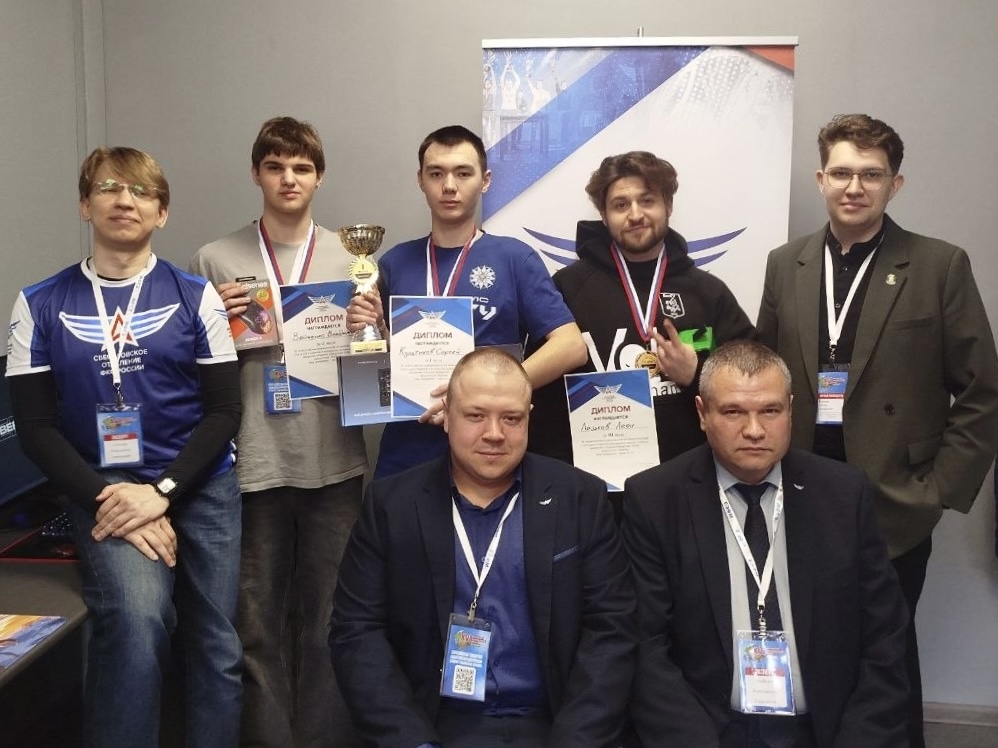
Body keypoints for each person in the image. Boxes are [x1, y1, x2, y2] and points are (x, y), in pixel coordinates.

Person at [756, 114, 998, 747]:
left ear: (895, 184)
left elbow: (982, 390)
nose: (854, 187)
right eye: (841, 173)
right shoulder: (785, 264)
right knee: (809, 638)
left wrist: (938, 490)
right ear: (821, 179)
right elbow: (764, 373)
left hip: (892, 496)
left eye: (871, 174)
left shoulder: (939, 265)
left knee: (887, 652)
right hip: (801, 490)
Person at [6, 147, 243, 747]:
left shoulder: (197, 296)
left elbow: (224, 411)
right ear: (85, 206)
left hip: (199, 482)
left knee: (217, 642)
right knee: (137, 622)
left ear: (161, 212)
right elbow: (35, 427)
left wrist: (162, 492)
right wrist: (112, 498)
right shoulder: (40, 303)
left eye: (140, 190)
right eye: (108, 188)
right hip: (104, 489)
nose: (124, 200)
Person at [330, 348, 635, 747]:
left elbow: (612, 628)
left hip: (554, 724)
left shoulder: (580, 498)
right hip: (434, 725)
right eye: (476, 416)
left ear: (529, 417)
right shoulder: (392, 505)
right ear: (447, 416)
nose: (494, 433)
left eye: (512, 418)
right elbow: (357, 632)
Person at [623, 340, 909, 748]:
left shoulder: (843, 494)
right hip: (712, 730)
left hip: (824, 731)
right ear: (702, 414)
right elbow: (646, 647)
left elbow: (885, 637)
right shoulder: (655, 499)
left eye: (770, 411)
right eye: (733, 412)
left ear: (791, 410)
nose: (754, 430)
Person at [190, 116, 367, 747]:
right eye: (275, 166)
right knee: (254, 628)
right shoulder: (214, 259)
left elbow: (373, 380)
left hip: (333, 463)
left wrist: (370, 331)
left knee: (330, 625)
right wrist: (213, 323)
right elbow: (191, 374)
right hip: (251, 467)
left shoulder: (356, 259)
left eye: (301, 167)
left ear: (319, 177)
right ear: (256, 173)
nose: (289, 178)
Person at [346, 125, 586, 478]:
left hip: (490, 452)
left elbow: (571, 346)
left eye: (463, 173)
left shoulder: (514, 258)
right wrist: (376, 330)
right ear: (420, 180)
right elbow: (376, 371)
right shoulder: (395, 262)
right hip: (408, 451)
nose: (449, 185)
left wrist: (492, 389)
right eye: (436, 173)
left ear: (485, 180)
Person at [529, 151, 755, 469]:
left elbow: (753, 379)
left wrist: (696, 373)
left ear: (668, 206)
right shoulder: (567, 288)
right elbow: (541, 397)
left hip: (687, 478)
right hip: (592, 480)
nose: (635, 215)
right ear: (604, 215)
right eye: (621, 205)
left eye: (647, 200)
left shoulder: (707, 291)